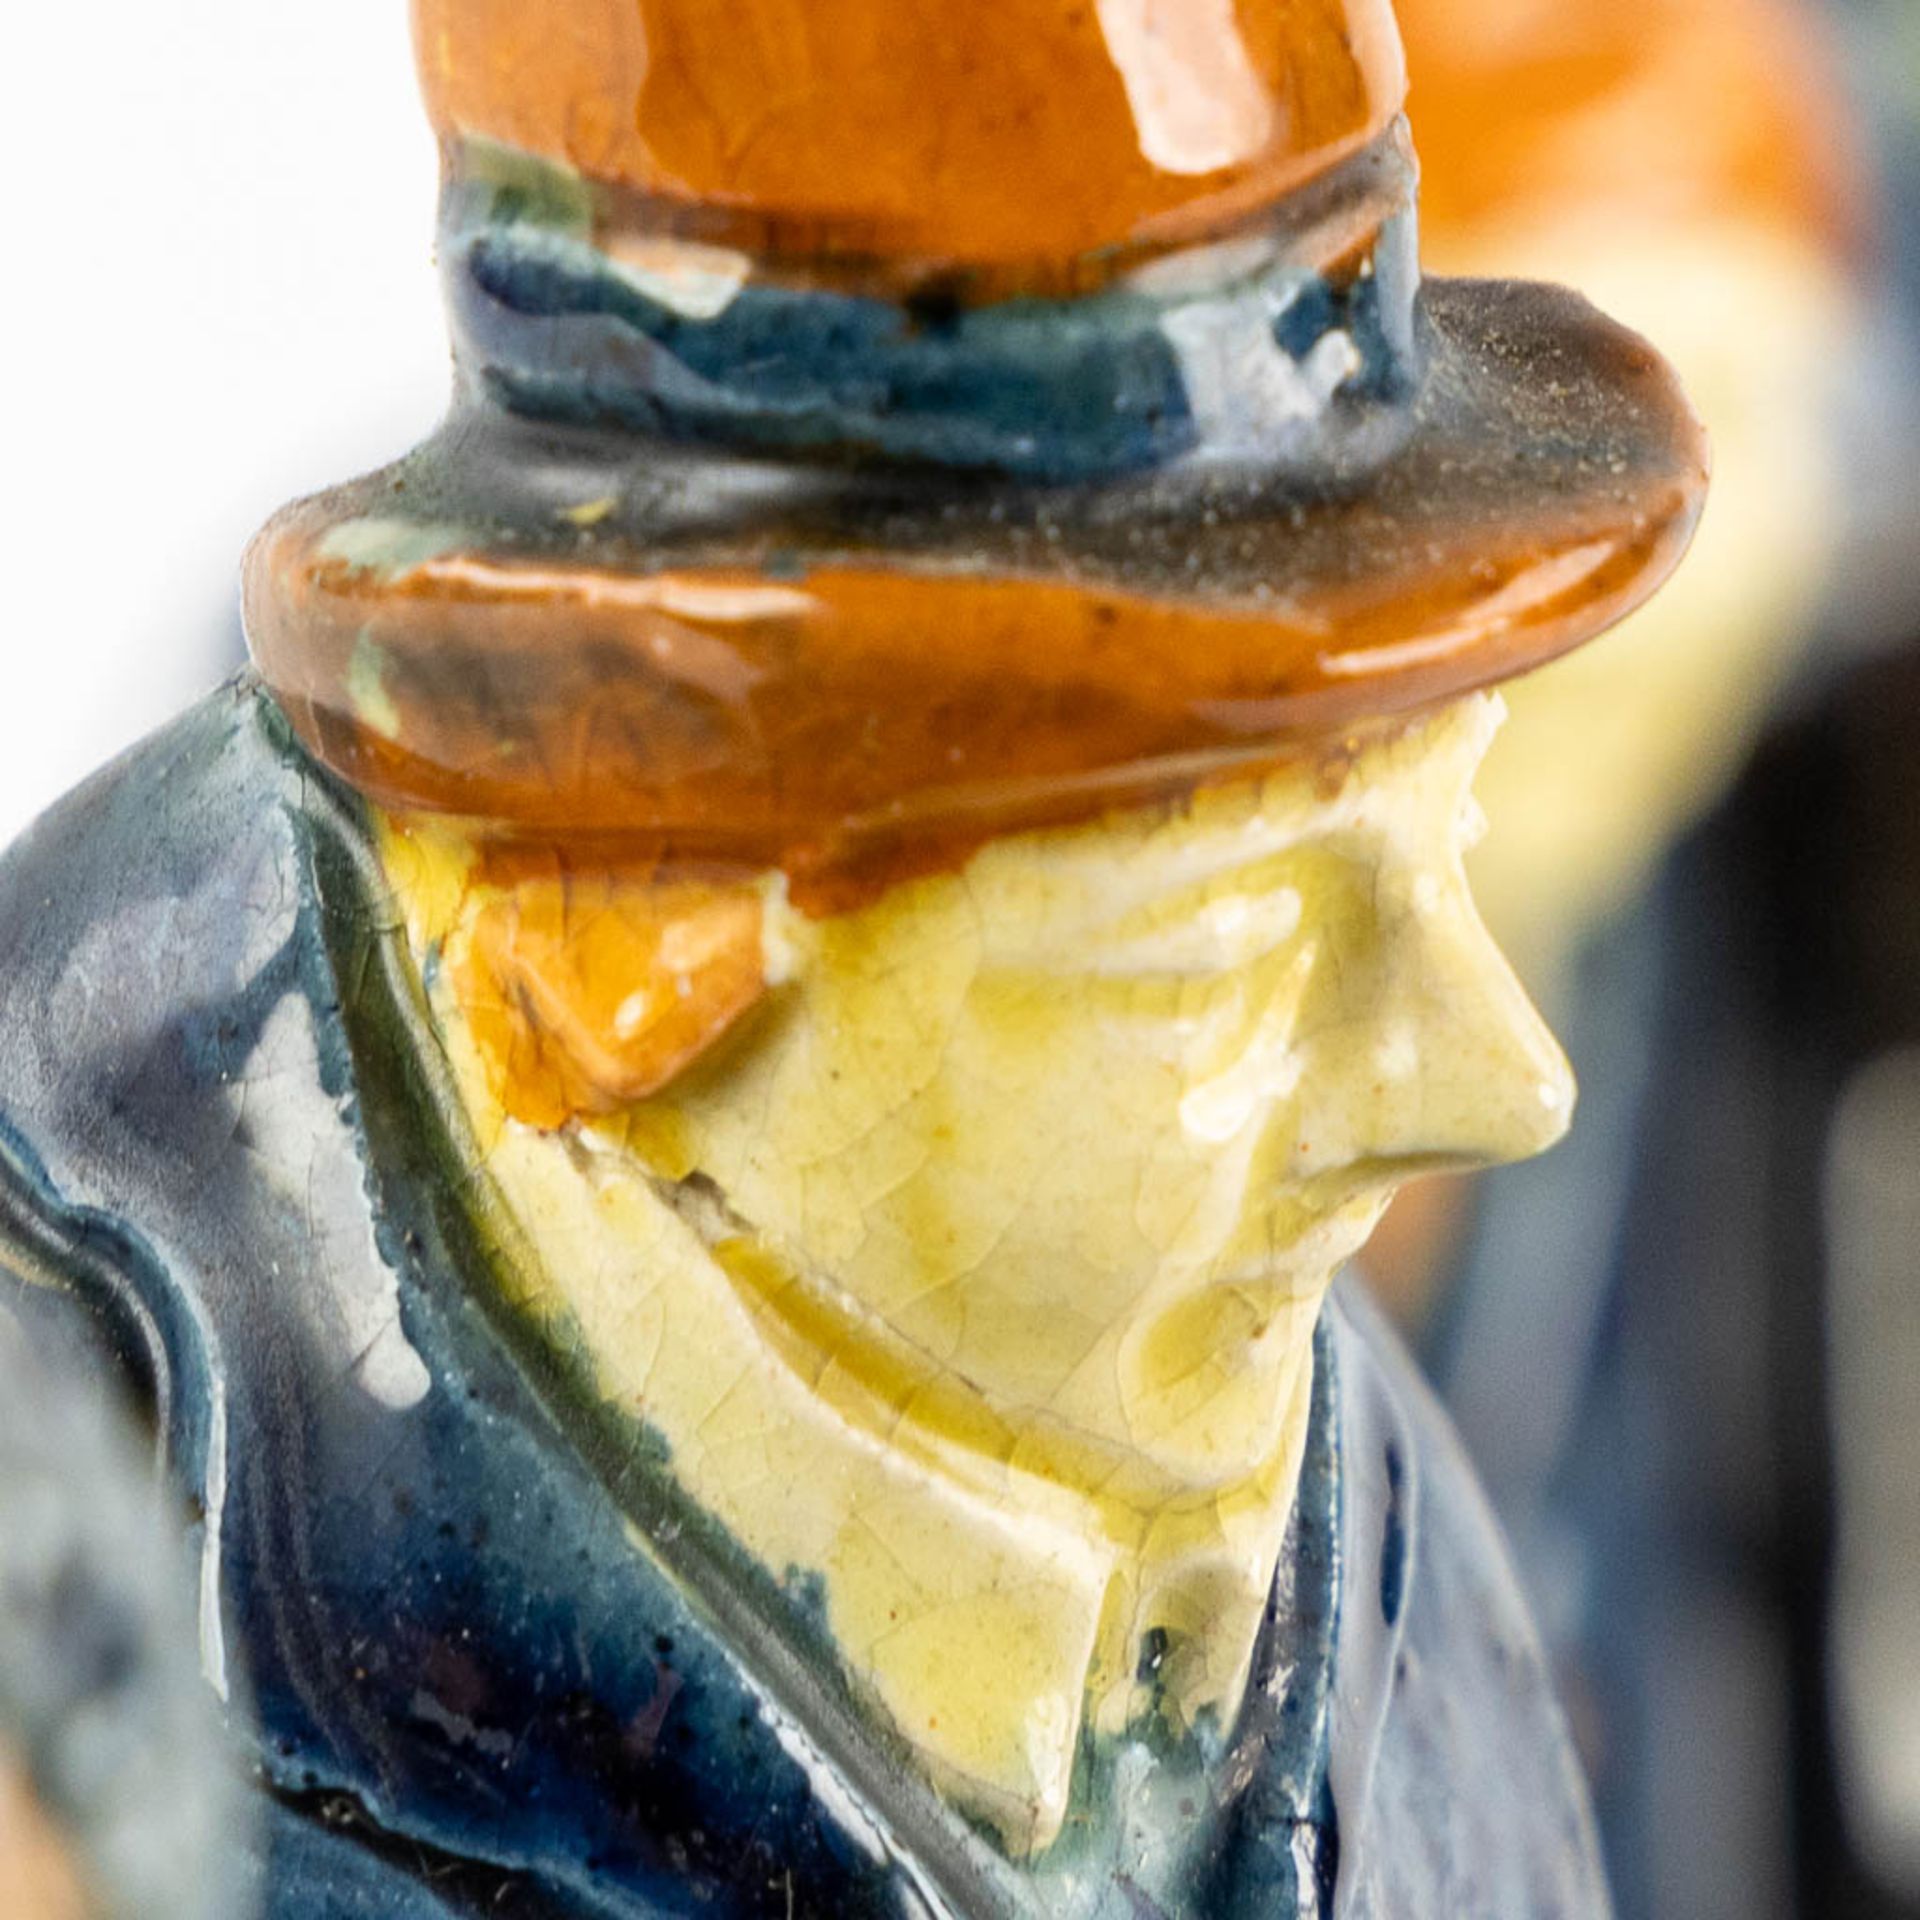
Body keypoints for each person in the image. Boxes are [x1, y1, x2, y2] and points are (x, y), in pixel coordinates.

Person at [0, 0, 1705, 1911]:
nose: (1499, 1077)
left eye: (1440, 834)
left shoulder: (1288, 1468)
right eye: (1217, 949)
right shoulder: (80, 1608)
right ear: (629, 935)